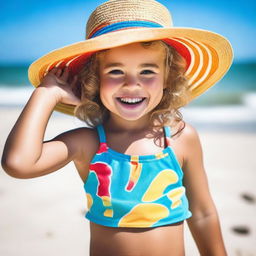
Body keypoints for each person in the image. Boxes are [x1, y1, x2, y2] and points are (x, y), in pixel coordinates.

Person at [1, 0, 233, 255]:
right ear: (94, 79)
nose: (131, 84)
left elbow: (202, 212)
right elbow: (18, 163)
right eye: (115, 71)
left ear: (167, 77)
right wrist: (46, 94)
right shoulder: (87, 144)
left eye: (147, 71)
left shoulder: (180, 138)